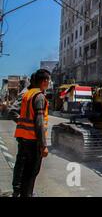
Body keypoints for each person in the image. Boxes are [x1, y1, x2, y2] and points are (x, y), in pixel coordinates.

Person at [12, 69, 51, 197]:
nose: (49, 83)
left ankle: (20, 192)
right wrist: (43, 145)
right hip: (33, 141)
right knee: (31, 172)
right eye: (48, 80)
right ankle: (27, 194)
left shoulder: (28, 94)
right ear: (44, 81)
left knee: (23, 170)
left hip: (23, 139)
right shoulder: (39, 97)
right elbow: (39, 123)